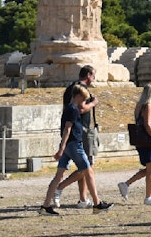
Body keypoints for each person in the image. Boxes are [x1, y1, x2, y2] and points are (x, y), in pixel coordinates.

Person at [40, 85, 112, 215]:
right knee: (88, 171)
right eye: (84, 100)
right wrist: (61, 149)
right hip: (74, 145)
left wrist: (62, 147)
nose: (84, 103)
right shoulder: (73, 110)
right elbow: (67, 129)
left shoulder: (68, 108)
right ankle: (97, 204)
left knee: (58, 176)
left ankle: (45, 205)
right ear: (78, 97)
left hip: (67, 145)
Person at [53, 65, 99, 208]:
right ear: (88, 75)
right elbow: (81, 108)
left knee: (82, 166)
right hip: (81, 131)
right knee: (87, 166)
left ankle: (83, 199)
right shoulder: (80, 90)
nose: (94, 79)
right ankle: (60, 187)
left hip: (76, 130)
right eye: (94, 76)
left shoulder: (71, 88)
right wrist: (93, 103)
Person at [118, 83, 151, 206]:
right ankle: (148, 196)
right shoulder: (147, 105)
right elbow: (148, 124)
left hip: (141, 141)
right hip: (148, 141)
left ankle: (126, 184)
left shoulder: (138, 106)